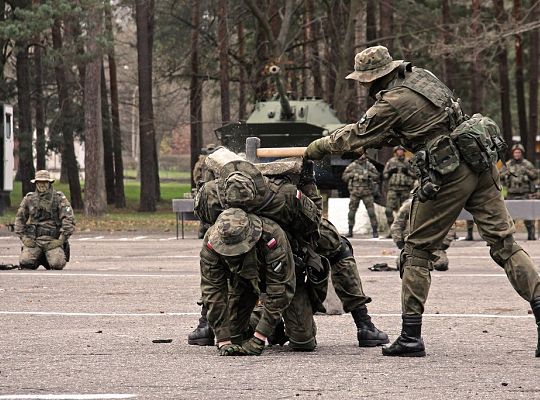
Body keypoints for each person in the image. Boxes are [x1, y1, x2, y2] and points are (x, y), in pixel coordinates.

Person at [304, 45, 540, 357]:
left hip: (448, 172)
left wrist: (314, 148)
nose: (363, 86)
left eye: (363, 81)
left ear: (373, 79)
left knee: (416, 250)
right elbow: (423, 123)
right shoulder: (421, 77)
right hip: (478, 160)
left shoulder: (390, 102)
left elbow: (354, 135)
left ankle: (410, 337)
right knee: (505, 244)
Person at [189, 158, 389, 348]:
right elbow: (212, 275)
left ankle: (364, 323)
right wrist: (223, 336)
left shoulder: (284, 197)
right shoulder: (210, 196)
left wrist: (308, 183)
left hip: (287, 255)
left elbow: (313, 222)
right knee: (219, 262)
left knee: (337, 247)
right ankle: (209, 324)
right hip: (242, 264)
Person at [200, 208, 317, 355]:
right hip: (243, 283)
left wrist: (259, 337)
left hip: (286, 282)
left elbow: (280, 289)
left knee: (303, 341)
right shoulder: (212, 241)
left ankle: (271, 323)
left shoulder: (271, 236)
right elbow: (212, 290)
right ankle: (267, 321)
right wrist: (223, 340)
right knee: (235, 338)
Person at [14, 170, 75, 270]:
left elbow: (68, 219)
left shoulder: (59, 198)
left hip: (53, 241)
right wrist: (24, 238)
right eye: (39, 182)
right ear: (36, 183)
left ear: (49, 183)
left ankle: (51, 256)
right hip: (34, 240)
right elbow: (19, 219)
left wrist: (61, 240)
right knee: (25, 263)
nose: (42, 185)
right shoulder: (29, 199)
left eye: (44, 182)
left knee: (57, 264)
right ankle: (39, 257)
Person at [391, 198, 454, 271]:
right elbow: (397, 224)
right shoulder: (408, 206)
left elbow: (449, 225)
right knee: (403, 264)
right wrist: (399, 241)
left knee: (441, 264)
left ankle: (426, 261)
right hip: (412, 245)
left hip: (433, 245)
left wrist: (445, 242)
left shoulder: (440, 206)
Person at [501, 143, 538, 240]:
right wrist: (506, 174)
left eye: (518, 152)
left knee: (528, 216)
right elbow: (499, 176)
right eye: (515, 152)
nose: (517, 154)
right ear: (513, 153)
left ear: (521, 153)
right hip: (511, 194)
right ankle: (509, 236)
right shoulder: (508, 164)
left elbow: (535, 176)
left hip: (524, 194)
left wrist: (527, 172)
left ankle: (531, 234)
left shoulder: (527, 164)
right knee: (510, 217)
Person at [342, 155, 380, 238]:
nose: (361, 156)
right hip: (355, 193)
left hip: (367, 193)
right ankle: (350, 231)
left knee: (371, 212)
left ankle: (375, 231)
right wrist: (352, 175)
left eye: (362, 154)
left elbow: (377, 176)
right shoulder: (352, 166)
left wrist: (369, 174)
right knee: (351, 212)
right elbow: (344, 177)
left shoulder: (369, 165)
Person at [383, 146, 415, 228]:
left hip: (405, 189)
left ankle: (403, 230)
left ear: (404, 151)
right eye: (398, 150)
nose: (400, 152)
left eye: (401, 150)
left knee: (405, 211)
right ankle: (391, 229)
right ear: (395, 152)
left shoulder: (408, 162)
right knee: (388, 210)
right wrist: (390, 172)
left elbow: (416, 175)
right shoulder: (391, 161)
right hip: (393, 189)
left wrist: (408, 172)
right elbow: (385, 175)